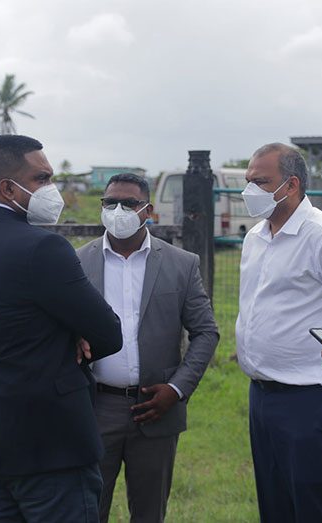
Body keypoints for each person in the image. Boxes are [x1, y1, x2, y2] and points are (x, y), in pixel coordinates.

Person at [0, 134, 123, 522]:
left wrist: (66, 330)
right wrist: (72, 332)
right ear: (7, 187)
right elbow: (108, 333)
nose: (52, 189)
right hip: (49, 443)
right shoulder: (43, 248)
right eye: (42, 179)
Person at [236, 143, 322, 522]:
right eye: (248, 181)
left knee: (314, 508)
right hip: (262, 395)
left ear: (291, 185)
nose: (250, 191)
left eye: (260, 181)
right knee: (275, 505)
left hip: (310, 401)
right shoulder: (256, 236)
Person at [76, 173, 219, 523]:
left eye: (129, 203)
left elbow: (206, 332)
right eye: (110, 203)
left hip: (156, 409)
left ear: (148, 210)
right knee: (87, 510)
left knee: (150, 512)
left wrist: (177, 388)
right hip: (95, 407)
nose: (118, 210)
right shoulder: (79, 261)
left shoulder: (181, 264)